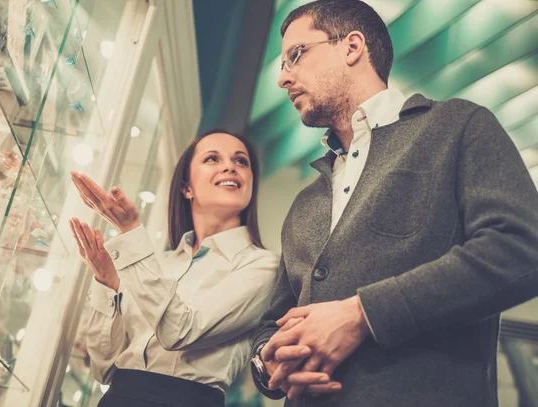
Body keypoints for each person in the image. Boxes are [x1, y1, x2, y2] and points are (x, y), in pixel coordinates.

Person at [249, 1, 538, 406]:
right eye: (282, 64)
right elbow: (272, 321)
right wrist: (267, 364)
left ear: (352, 47)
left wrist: (361, 314)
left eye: (296, 56)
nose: (282, 78)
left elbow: (522, 247)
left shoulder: (455, 127)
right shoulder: (307, 200)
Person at [68, 130, 281, 407]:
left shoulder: (263, 267)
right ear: (186, 188)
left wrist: (130, 231)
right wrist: (106, 280)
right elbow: (104, 368)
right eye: (212, 159)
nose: (230, 166)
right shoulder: (156, 264)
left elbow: (180, 331)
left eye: (241, 161)